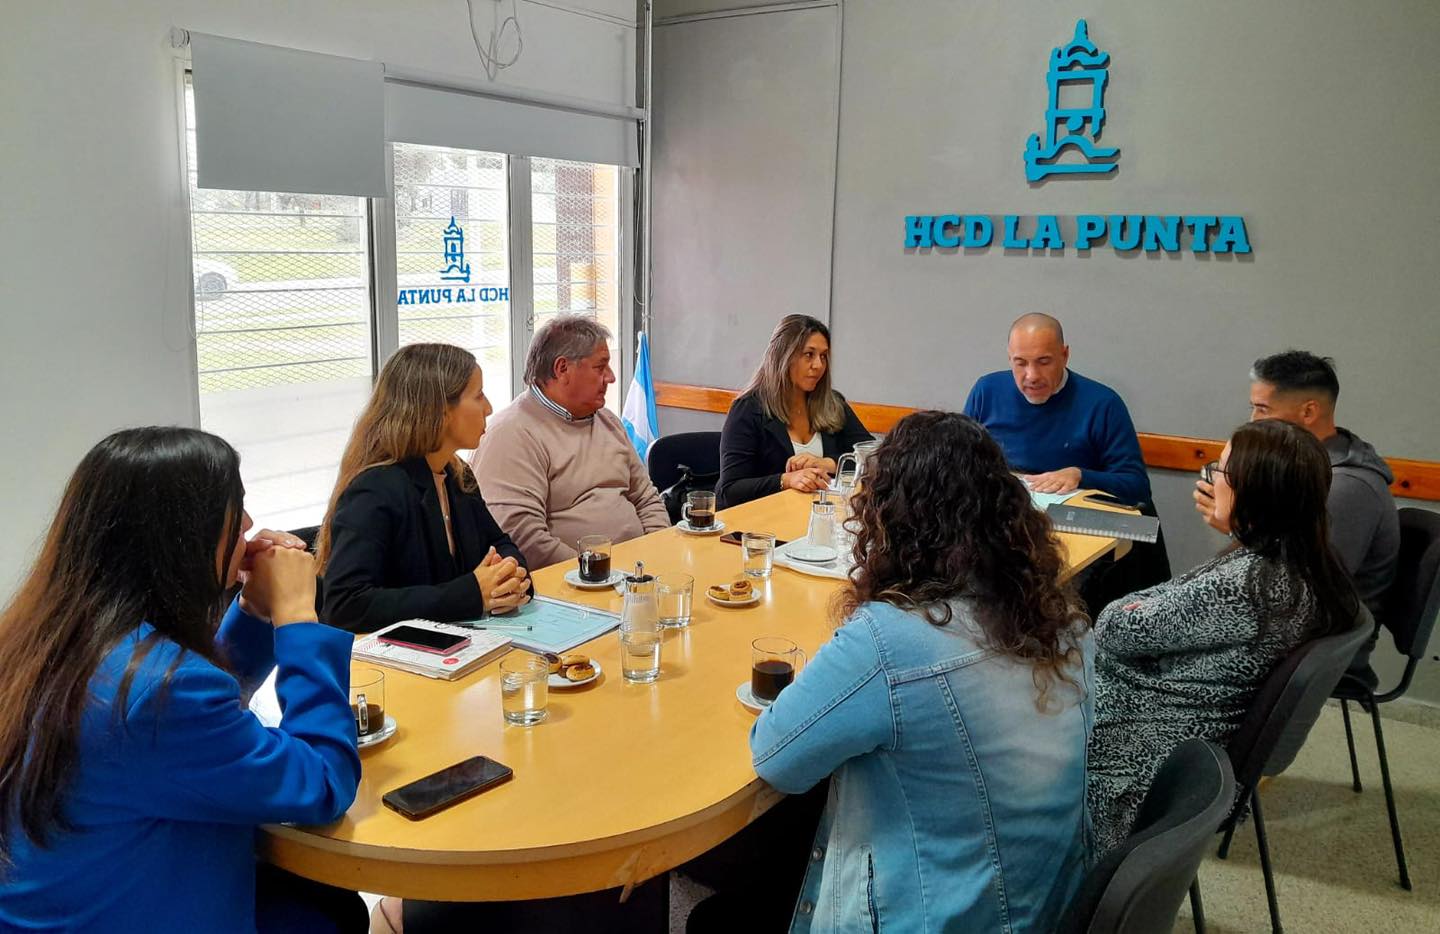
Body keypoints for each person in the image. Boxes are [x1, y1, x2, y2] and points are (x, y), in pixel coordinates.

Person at [0, 427, 363, 933]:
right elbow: (322, 783)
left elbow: (197, 725)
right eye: (235, 509)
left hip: (80, 903)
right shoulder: (158, 695)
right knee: (333, 912)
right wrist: (298, 617)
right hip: (136, 914)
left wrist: (254, 609)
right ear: (180, 536)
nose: (249, 525)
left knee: (320, 901)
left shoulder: (49, 639)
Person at [747, 411, 1094, 932]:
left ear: (889, 518)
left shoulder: (890, 639)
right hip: (1048, 901)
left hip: (942, 913)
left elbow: (777, 759)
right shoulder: (1064, 621)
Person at [1089, 419, 1360, 853]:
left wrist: (1126, 608)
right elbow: (1163, 602)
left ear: (1256, 492)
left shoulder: (1248, 585)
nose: (1210, 478)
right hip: (1182, 731)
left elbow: (1114, 628)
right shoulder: (1296, 561)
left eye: (1221, 470)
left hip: (1144, 752)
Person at [1194, 350, 1399, 685]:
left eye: (1262, 409)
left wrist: (1238, 529)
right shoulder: (1308, 468)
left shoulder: (1345, 488)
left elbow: (1304, 588)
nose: (1253, 421)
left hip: (1319, 647)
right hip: (1289, 626)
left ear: (1308, 411)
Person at [318, 343, 532, 633]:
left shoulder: (457, 475)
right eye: (478, 395)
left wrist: (508, 576)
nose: (489, 408)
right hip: (396, 656)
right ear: (441, 411)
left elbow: (500, 544)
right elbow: (345, 605)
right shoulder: (374, 489)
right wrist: (472, 594)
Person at [473, 315, 670, 569]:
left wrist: (656, 553)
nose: (611, 377)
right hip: (573, 582)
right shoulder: (511, 434)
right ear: (562, 369)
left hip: (635, 573)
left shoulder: (607, 420)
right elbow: (523, 537)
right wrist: (597, 573)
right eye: (600, 367)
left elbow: (646, 498)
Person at [962, 312, 1150, 504]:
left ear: (1064, 355)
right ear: (1010, 359)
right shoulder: (986, 391)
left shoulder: (1103, 404)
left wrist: (1081, 476)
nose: (1032, 375)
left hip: (1070, 513)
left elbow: (1137, 487)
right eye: (1021, 363)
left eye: (1044, 362)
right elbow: (959, 465)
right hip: (1000, 508)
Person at [717, 315, 874, 508]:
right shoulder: (748, 410)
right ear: (783, 357)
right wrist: (786, 480)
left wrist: (829, 464)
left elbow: (874, 457)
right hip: (764, 520)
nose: (818, 365)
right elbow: (729, 491)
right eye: (809, 354)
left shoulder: (833, 403)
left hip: (819, 514)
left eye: (823, 356)